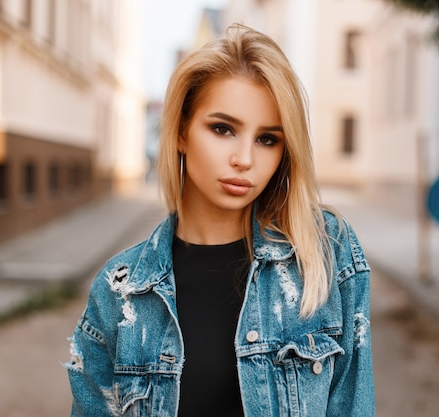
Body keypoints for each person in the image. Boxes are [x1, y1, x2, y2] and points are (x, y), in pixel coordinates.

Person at [66, 23, 374, 417]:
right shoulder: (120, 290)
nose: (244, 159)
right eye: (222, 129)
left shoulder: (325, 253)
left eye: (267, 139)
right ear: (180, 131)